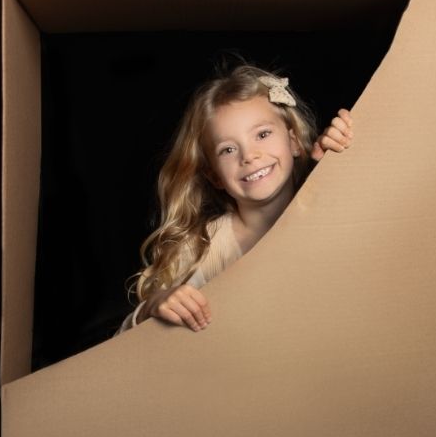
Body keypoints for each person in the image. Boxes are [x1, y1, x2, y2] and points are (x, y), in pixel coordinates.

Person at [119, 65, 352, 334]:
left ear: (294, 142)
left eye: (263, 135)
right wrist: (153, 308)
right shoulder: (201, 248)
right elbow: (125, 344)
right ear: (215, 176)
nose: (249, 156)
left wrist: (342, 160)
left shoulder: (331, 205)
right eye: (228, 149)